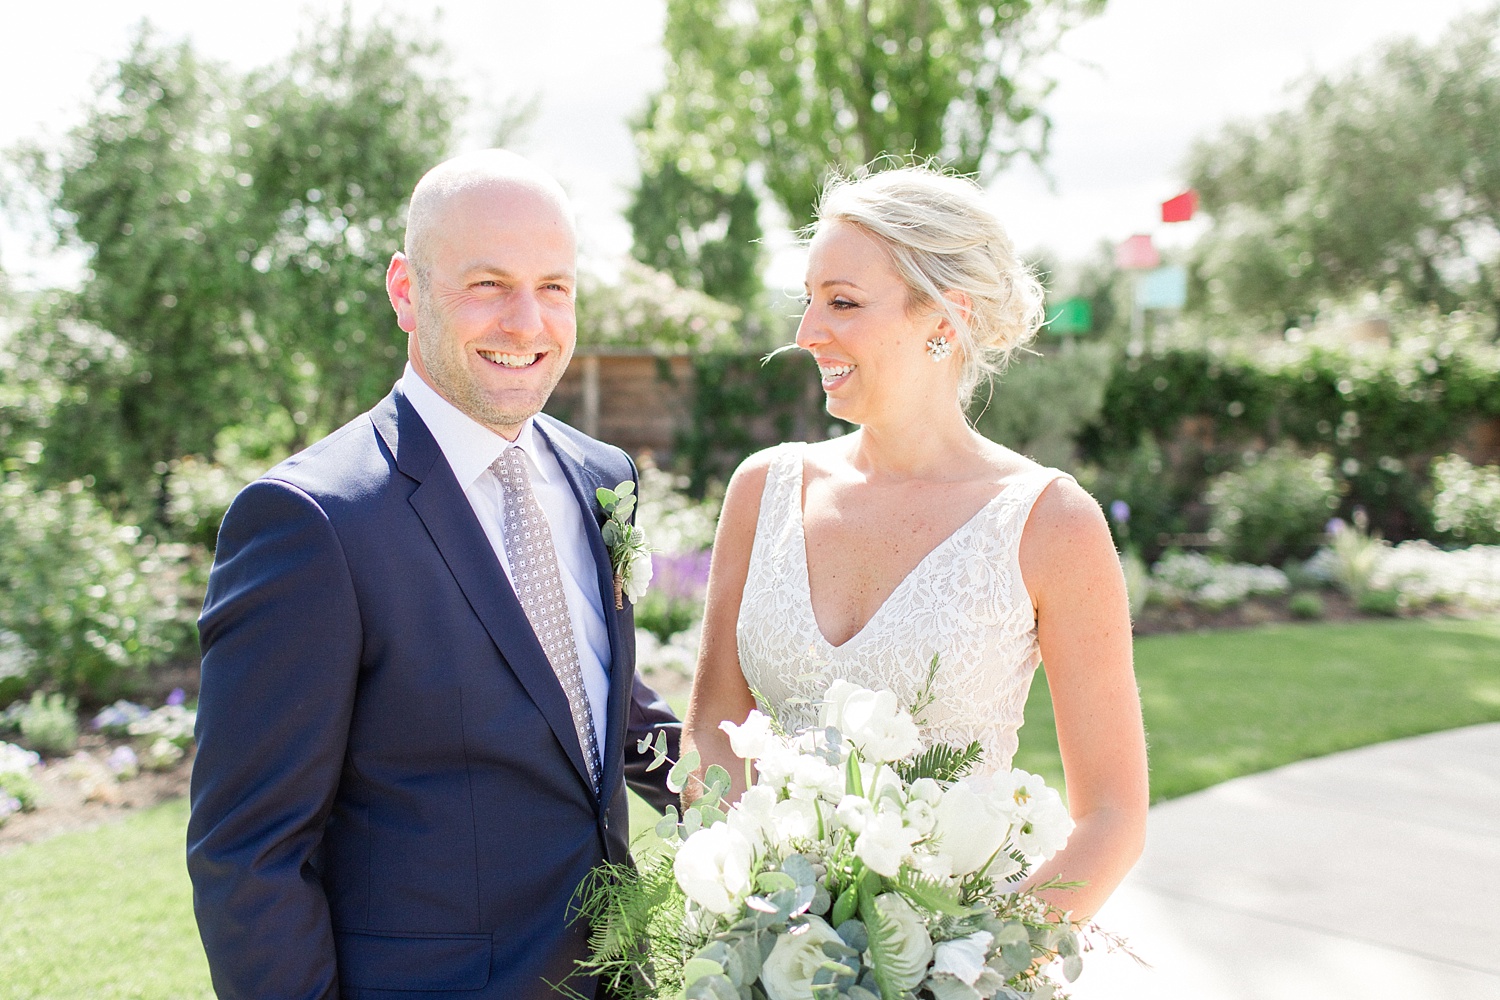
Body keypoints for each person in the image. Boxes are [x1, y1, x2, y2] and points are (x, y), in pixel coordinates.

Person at [187, 149, 681, 999]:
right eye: (488, 284)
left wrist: (779, 800)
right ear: (406, 291)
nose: (528, 322)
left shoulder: (603, 476)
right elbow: (249, 858)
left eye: (554, 286)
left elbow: (587, 700)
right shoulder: (310, 523)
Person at [682, 165, 1148, 920]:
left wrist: (981, 965)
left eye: (842, 302)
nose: (806, 333)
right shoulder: (761, 491)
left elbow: (1113, 817)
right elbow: (711, 730)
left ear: (942, 318)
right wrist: (737, 920)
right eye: (808, 300)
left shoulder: (1051, 523)